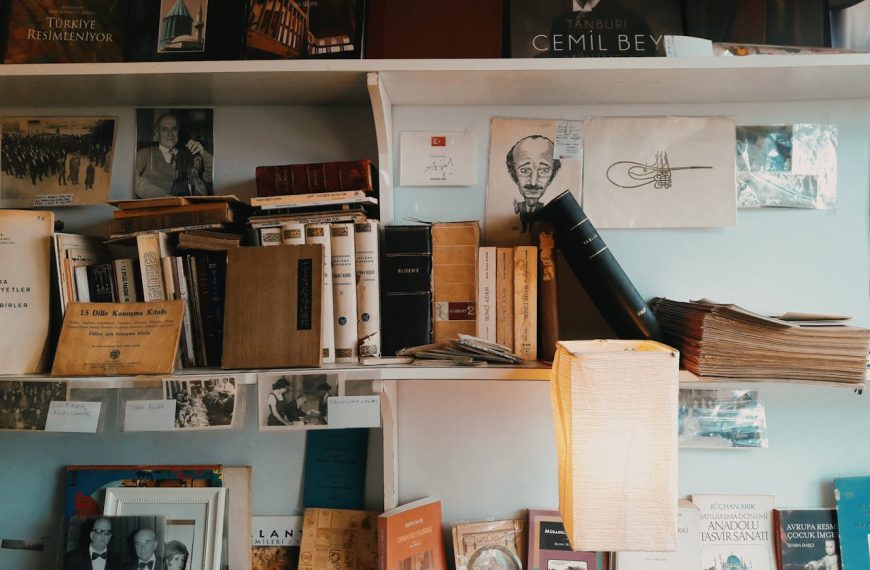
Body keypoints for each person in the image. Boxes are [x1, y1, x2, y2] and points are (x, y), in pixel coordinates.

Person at [134, 112, 213, 198]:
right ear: (157, 133)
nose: (170, 133)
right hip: (156, 207)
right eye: (164, 129)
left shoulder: (189, 153)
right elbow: (134, 179)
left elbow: (211, 177)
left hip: (188, 207)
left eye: (174, 129)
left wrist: (203, 153)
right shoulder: (145, 154)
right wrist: (163, 196)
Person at [505, 135, 561, 233]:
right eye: (524, 170)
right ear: (513, 174)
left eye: (544, 170)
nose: (533, 182)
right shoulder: (520, 206)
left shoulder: (545, 209)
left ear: (552, 176)